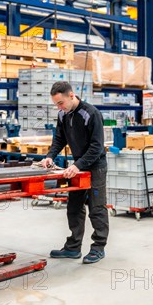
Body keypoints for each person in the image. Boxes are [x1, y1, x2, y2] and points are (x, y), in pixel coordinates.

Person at [41, 81, 109, 264]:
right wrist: (50, 156)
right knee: (74, 207)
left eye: (61, 103)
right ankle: (73, 247)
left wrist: (78, 165)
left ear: (71, 96)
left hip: (95, 166)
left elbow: (97, 147)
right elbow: (59, 139)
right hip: (77, 166)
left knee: (96, 208)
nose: (59, 107)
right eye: (56, 104)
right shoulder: (63, 115)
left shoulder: (91, 113)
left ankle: (98, 248)